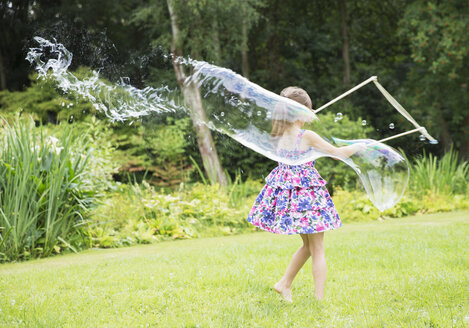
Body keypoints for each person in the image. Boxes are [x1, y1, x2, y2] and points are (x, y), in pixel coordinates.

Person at [246, 86, 364, 302]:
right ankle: (319, 300)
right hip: (308, 198)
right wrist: (360, 146)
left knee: (308, 246)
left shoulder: (279, 136)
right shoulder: (306, 136)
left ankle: (284, 284)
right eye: (308, 109)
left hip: (291, 201)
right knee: (317, 247)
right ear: (300, 112)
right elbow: (338, 155)